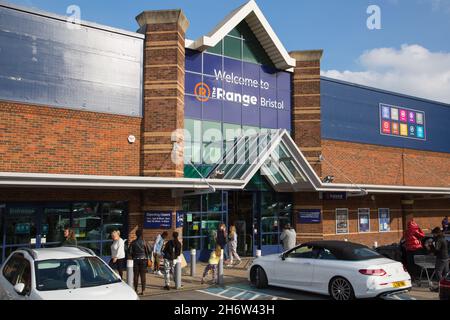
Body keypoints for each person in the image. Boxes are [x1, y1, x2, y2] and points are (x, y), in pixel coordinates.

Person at [129, 229, 151, 295]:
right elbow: (149, 250)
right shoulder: (144, 242)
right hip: (143, 260)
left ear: (136, 235)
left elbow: (129, 252)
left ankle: (135, 289)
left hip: (135, 260)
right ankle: (143, 290)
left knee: (135, 275)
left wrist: (133, 256)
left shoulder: (133, 242)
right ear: (141, 234)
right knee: (143, 275)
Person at [429, 227, 449, 292]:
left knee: (438, 272)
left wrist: (431, 245)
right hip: (446, 257)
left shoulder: (439, 239)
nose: (433, 235)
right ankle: (446, 286)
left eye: (433, 234)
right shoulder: (443, 237)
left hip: (441, 258)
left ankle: (441, 287)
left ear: (436, 233)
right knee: (446, 273)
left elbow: (437, 249)